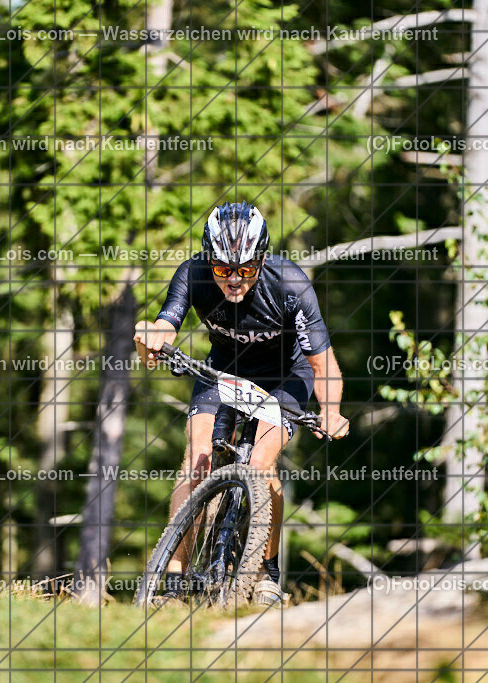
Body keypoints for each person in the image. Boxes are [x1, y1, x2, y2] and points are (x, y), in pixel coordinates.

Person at [134, 201, 349, 608]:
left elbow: (323, 363)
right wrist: (153, 334)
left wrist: (332, 411)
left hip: (285, 377)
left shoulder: (289, 284)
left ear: (262, 260)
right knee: (196, 460)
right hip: (224, 370)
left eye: (245, 270)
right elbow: (167, 320)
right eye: (222, 270)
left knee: (261, 465)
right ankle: (175, 582)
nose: (233, 280)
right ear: (208, 261)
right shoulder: (192, 273)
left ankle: (266, 573)